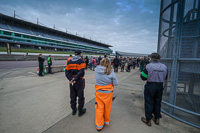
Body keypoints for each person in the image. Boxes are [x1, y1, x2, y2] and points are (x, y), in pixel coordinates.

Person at [140, 53, 168, 126]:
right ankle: (157, 118)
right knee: (157, 102)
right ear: (159, 58)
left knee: (149, 102)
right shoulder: (164, 66)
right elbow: (165, 77)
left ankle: (148, 120)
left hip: (151, 85)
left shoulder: (149, 66)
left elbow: (143, 77)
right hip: (160, 86)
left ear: (151, 58)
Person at [95, 58, 118, 131]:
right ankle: (106, 121)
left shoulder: (96, 70)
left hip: (99, 92)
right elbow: (115, 83)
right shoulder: (111, 71)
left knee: (99, 108)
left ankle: (99, 125)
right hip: (108, 93)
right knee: (107, 108)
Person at [65, 50, 86, 117]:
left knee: (72, 96)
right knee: (80, 96)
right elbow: (81, 72)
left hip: (71, 82)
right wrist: (75, 78)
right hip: (78, 80)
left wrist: (71, 79)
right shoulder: (81, 61)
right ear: (80, 54)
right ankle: (80, 110)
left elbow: (66, 72)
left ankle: (74, 109)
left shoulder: (70, 61)